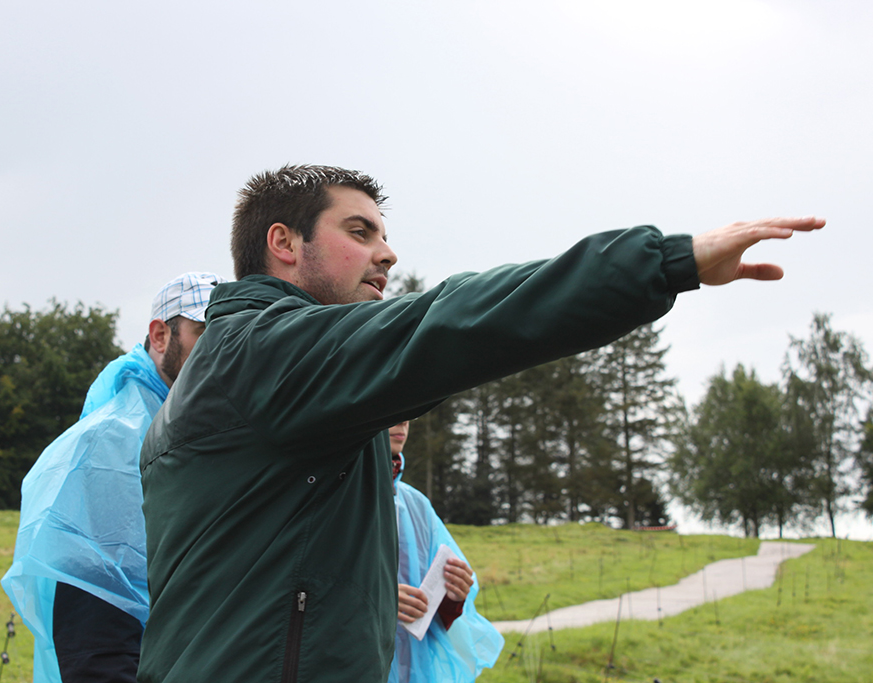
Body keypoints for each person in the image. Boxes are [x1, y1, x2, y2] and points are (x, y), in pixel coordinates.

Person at [138, 163, 823, 683]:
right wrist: (668, 261)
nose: (387, 254)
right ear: (283, 243)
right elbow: (453, 324)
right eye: (359, 232)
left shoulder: (247, 369)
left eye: (385, 236)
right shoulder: (267, 355)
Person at [1, 272, 225, 683]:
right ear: (160, 336)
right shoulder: (114, 442)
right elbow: (95, 631)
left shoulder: (197, 428)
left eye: (229, 335)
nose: (220, 350)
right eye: (204, 332)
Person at [389, 420, 504, 683]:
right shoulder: (331, 501)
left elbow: (433, 619)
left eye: (409, 411)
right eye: (389, 407)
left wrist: (452, 597)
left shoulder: (416, 507)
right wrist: (377, 600)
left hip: (413, 671)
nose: (403, 419)